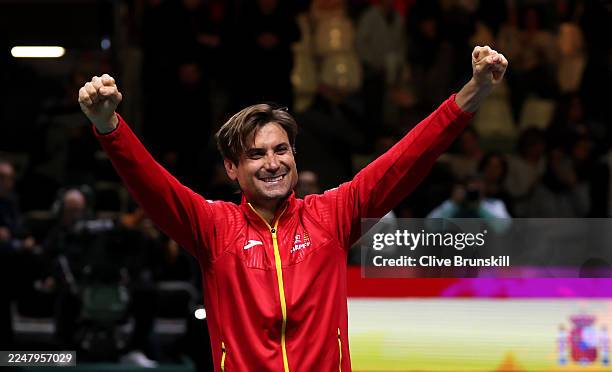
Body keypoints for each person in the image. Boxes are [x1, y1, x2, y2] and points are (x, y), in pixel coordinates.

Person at [78, 46, 507, 371]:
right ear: (232, 168)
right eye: (256, 154)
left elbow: (406, 160)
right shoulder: (213, 227)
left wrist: (474, 91)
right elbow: (153, 187)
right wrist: (108, 127)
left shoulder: (332, 216)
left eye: (281, 149)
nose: (272, 163)